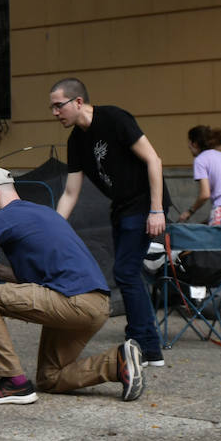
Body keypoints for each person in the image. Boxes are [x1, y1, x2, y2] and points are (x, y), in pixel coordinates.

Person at [0, 167, 145, 405]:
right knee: (50, 378)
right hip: (96, 304)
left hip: (72, 301)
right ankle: (117, 362)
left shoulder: (4, 217)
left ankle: (12, 382)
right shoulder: (44, 213)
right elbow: (38, 277)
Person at [49, 77, 167, 367]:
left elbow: (154, 160)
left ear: (78, 102)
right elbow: (70, 192)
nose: (54, 113)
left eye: (58, 106)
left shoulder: (114, 118)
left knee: (125, 272)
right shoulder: (75, 141)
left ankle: (144, 345)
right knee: (128, 273)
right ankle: (147, 343)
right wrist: (50, 228)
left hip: (143, 204)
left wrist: (156, 210)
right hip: (121, 208)